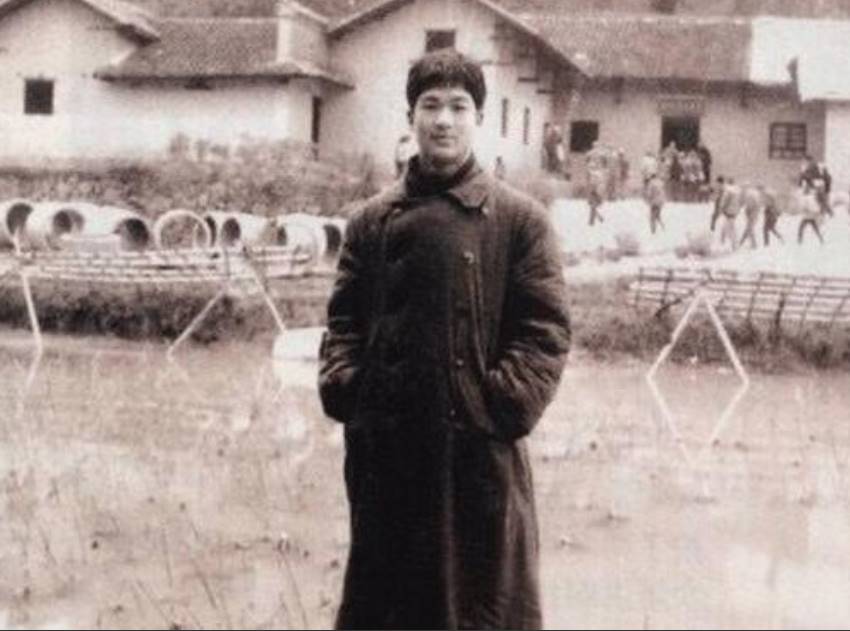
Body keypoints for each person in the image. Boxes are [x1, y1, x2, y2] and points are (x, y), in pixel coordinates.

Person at [318, 50, 571, 630]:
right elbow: (344, 324)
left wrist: (495, 405)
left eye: (458, 107)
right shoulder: (369, 221)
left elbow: (545, 331)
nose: (443, 120)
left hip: (477, 458)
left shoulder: (520, 220)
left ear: (477, 117)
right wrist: (353, 392)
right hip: (388, 455)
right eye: (430, 106)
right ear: (410, 116)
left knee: (478, 605)